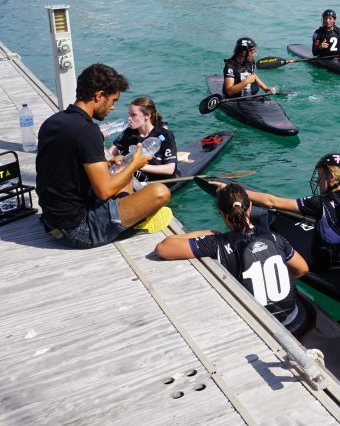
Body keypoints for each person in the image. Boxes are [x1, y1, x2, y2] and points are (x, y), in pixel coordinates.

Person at [36, 63, 171, 249]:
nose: (113, 108)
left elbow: (65, 166)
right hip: (77, 230)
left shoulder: (53, 121)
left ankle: (127, 211)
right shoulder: (88, 131)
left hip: (51, 220)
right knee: (160, 192)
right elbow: (104, 191)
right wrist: (136, 163)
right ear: (99, 96)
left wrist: (106, 164)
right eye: (113, 100)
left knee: (121, 173)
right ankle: (135, 221)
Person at [155, 183, 309, 331]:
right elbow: (302, 269)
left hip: (260, 325)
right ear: (250, 207)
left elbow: (163, 248)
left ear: (221, 213)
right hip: (292, 317)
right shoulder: (275, 238)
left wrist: (209, 232)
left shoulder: (217, 243)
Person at [211, 153, 340, 269]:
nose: (318, 180)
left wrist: (235, 192)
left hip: (331, 263)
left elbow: (272, 202)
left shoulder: (321, 203)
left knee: (269, 219)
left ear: (332, 177)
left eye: (320, 176)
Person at [108, 96, 178, 184]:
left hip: (158, 183)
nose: (129, 118)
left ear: (147, 115)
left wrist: (136, 165)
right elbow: (110, 153)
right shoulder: (128, 133)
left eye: (133, 115)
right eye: (129, 114)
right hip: (134, 181)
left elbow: (170, 169)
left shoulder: (165, 135)